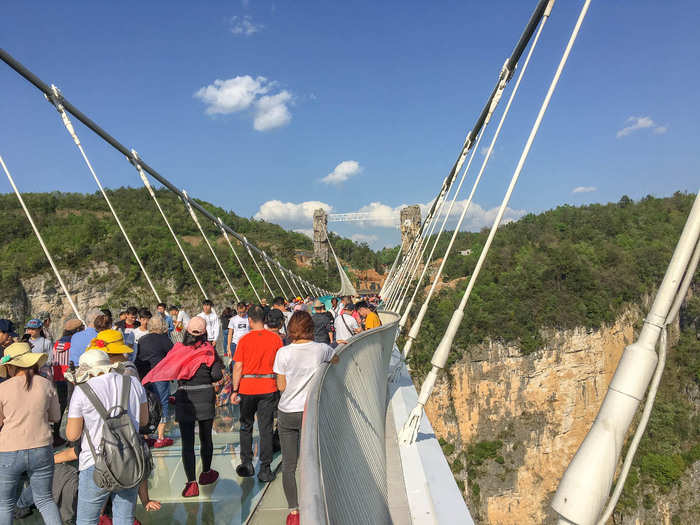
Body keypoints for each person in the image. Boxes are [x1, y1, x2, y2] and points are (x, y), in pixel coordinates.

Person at [66, 349, 148, 525]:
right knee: (125, 518)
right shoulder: (133, 382)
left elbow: (72, 434)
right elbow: (144, 421)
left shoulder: (82, 390)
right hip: (130, 459)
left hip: (95, 463)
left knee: (87, 521)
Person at [142, 317, 223, 498]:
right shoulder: (208, 350)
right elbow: (217, 375)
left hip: (184, 397)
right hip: (204, 396)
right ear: (204, 333)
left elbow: (169, 367)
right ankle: (207, 473)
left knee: (187, 443)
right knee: (205, 438)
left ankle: (191, 484)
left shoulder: (178, 350)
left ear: (186, 331)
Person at [273, 312, 337, 525]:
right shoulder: (321, 349)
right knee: (312, 461)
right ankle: (317, 507)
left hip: (287, 412)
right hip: (310, 412)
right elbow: (336, 359)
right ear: (311, 329)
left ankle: (294, 513)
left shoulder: (283, 352)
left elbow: (281, 386)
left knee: (289, 465)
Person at [0, 342, 62, 525]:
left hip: (9, 450)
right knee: (45, 500)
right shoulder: (46, 384)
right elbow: (56, 416)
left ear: (11, 366)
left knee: (5, 504)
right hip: (41, 448)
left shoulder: (3, 388)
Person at [232, 305, 282, 482]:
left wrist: (234, 389)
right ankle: (265, 468)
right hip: (268, 386)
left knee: (246, 426)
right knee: (266, 428)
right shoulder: (275, 339)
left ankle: (247, 463)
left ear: (250, 320)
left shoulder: (244, 340)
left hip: (247, 387)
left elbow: (238, 366)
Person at [134, 314, 173, 448]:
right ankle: (160, 437)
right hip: (160, 376)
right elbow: (173, 357)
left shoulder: (142, 339)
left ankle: (147, 436)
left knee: (146, 404)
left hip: (144, 376)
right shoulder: (165, 340)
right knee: (162, 404)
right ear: (163, 325)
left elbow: (138, 358)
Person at [51, 318, 84, 447]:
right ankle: (73, 437)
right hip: (70, 377)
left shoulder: (56, 344)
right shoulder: (74, 344)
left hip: (58, 377)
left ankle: (56, 434)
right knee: (72, 405)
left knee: (60, 405)